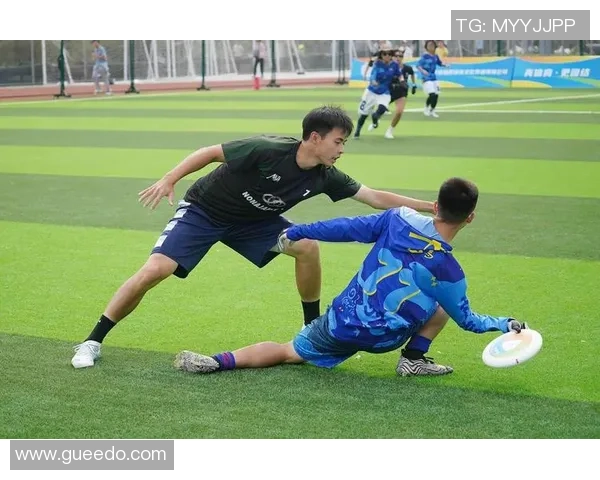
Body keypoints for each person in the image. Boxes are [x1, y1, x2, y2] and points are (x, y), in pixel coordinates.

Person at [71, 105, 436, 369]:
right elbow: (210, 153)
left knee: (306, 246)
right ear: (315, 138)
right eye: (338, 142)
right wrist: (170, 178)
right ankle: (92, 340)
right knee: (155, 270)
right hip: (204, 212)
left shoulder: (325, 175)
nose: (342, 150)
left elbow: (374, 198)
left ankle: (310, 328)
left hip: (254, 223)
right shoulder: (268, 149)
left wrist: (431, 207)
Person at [174, 177, 529, 377]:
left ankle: (218, 361)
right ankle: (412, 358)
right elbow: (468, 320)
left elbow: (346, 227)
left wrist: (300, 230)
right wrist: (505, 323)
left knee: (288, 351)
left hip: (343, 322)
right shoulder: (450, 271)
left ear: (435, 206)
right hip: (386, 337)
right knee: (441, 306)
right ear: (470, 218)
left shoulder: (397, 219)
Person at [353, 49, 400, 139]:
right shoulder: (377, 64)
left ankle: (375, 119)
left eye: (389, 54)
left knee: (382, 107)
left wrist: (401, 81)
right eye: (384, 54)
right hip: (372, 91)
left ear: (391, 55)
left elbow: (398, 74)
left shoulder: (394, 65)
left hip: (384, 92)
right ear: (381, 55)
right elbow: (373, 74)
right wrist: (373, 81)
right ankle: (358, 130)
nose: (387, 55)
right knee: (364, 114)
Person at [384, 49, 417, 140]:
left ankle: (390, 130)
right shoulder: (388, 67)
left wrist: (414, 84)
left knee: (399, 112)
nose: (398, 58)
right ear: (392, 57)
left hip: (402, 92)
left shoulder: (407, 68)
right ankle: (375, 122)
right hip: (389, 91)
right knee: (380, 109)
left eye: (400, 56)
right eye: (396, 56)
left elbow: (412, 74)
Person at [417, 40, 450, 118]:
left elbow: (439, 63)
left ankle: (432, 110)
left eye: (432, 45)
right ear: (426, 47)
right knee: (432, 94)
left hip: (434, 78)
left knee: (436, 95)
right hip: (426, 78)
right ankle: (426, 108)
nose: (431, 47)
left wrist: (445, 65)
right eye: (429, 45)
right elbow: (418, 65)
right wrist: (423, 71)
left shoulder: (435, 56)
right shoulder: (424, 56)